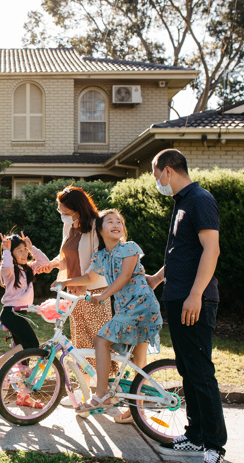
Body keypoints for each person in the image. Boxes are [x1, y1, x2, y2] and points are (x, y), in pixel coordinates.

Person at [148, 149, 227, 463]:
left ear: (168, 170)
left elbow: (211, 249)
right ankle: (195, 437)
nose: (158, 183)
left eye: (157, 177)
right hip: (178, 297)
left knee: (201, 372)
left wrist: (196, 294)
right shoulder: (182, 203)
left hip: (195, 299)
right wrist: (156, 279)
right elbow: (183, 253)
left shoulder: (200, 199)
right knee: (188, 370)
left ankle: (214, 446)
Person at [51, 208, 162, 415]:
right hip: (127, 308)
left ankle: (101, 394)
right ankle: (138, 409)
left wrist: (102, 296)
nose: (116, 225)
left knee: (101, 340)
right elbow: (89, 279)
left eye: (119, 222)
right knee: (137, 360)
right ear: (99, 230)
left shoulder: (129, 248)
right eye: (110, 222)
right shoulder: (101, 256)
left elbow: (125, 276)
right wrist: (64, 281)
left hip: (140, 305)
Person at [36, 186, 118, 399]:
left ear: (78, 209)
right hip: (75, 294)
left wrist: (71, 281)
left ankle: (108, 393)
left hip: (95, 293)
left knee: (99, 343)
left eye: (64, 212)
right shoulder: (70, 227)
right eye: (60, 211)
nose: (61, 215)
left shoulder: (94, 228)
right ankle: (85, 393)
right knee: (80, 345)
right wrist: (51, 265)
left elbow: (95, 264)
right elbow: (66, 255)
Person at [0, 232, 49, 408]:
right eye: (19, 251)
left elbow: (45, 263)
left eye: (24, 251)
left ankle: (23, 396)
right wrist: (6, 251)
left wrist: (32, 247)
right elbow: (6, 266)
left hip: (22, 315)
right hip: (10, 313)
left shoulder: (28, 269)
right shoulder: (10, 271)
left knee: (24, 359)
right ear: (12, 255)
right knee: (32, 345)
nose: (23, 254)